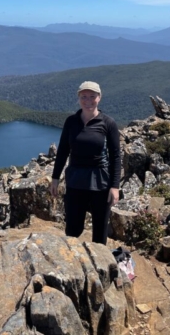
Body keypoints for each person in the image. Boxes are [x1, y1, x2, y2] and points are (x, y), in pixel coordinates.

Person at [49, 81, 121, 245]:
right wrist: (55, 178)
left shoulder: (108, 124)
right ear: (78, 98)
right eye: (84, 97)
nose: (88, 101)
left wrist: (115, 187)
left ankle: (100, 267)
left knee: (100, 229)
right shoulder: (71, 122)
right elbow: (63, 151)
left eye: (92, 96)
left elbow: (116, 157)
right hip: (75, 179)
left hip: (100, 181)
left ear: (99, 98)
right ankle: (73, 261)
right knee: (73, 228)